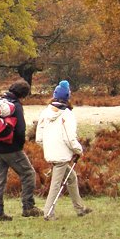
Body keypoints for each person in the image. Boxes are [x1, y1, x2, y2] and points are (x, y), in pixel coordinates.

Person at [0, 79, 43, 221]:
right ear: (23, 95)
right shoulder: (16, 106)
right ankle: (28, 207)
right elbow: (20, 129)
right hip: (11, 148)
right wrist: (19, 145)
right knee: (28, 173)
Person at [35, 80, 92, 220]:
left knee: (71, 178)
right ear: (68, 97)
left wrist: (49, 148)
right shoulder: (67, 114)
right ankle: (48, 213)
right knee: (56, 184)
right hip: (61, 155)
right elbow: (70, 138)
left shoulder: (45, 112)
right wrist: (78, 150)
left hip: (51, 153)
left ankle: (80, 208)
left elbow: (38, 138)